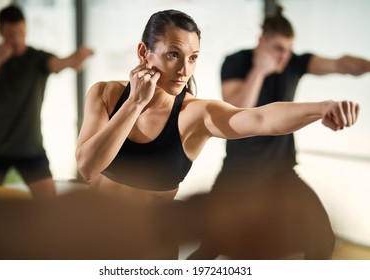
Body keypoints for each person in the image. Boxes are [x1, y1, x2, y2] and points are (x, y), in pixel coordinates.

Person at [76, 9, 359, 259]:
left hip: (152, 248)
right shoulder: (106, 95)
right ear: (143, 52)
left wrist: (322, 107)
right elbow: (88, 167)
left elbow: (261, 118)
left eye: (193, 58)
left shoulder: (196, 115)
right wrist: (134, 103)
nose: (184, 70)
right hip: (95, 235)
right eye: (173, 54)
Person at [187, 5, 370, 259]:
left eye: (288, 50)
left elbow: (340, 64)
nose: (284, 58)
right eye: (278, 50)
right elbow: (238, 109)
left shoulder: (294, 62)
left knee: (323, 241)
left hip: (282, 174)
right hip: (238, 174)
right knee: (210, 247)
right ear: (261, 42)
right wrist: (260, 70)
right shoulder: (236, 62)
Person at [0, 5, 93, 199]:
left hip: (29, 148)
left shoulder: (36, 57)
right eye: (10, 34)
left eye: (20, 33)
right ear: (0, 32)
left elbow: (59, 64)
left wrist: (76, 59)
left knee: (48, 204)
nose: (16, 39)